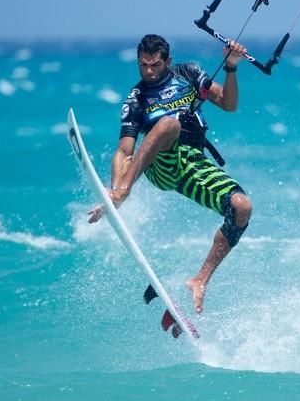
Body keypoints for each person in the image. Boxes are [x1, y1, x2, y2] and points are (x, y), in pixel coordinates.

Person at [87, 34, 253, 314]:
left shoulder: (188, 73)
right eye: (143, 65)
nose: (149, 71)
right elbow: (124, 151)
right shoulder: (137, 98)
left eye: (154, 65)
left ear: (168, 61)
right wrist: (116, 188)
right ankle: (122, 195)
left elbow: (228, 103)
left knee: (241, 207)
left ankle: (200, 280)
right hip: (160, 166)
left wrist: (231, 66)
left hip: (193, 165)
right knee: (168, 125)